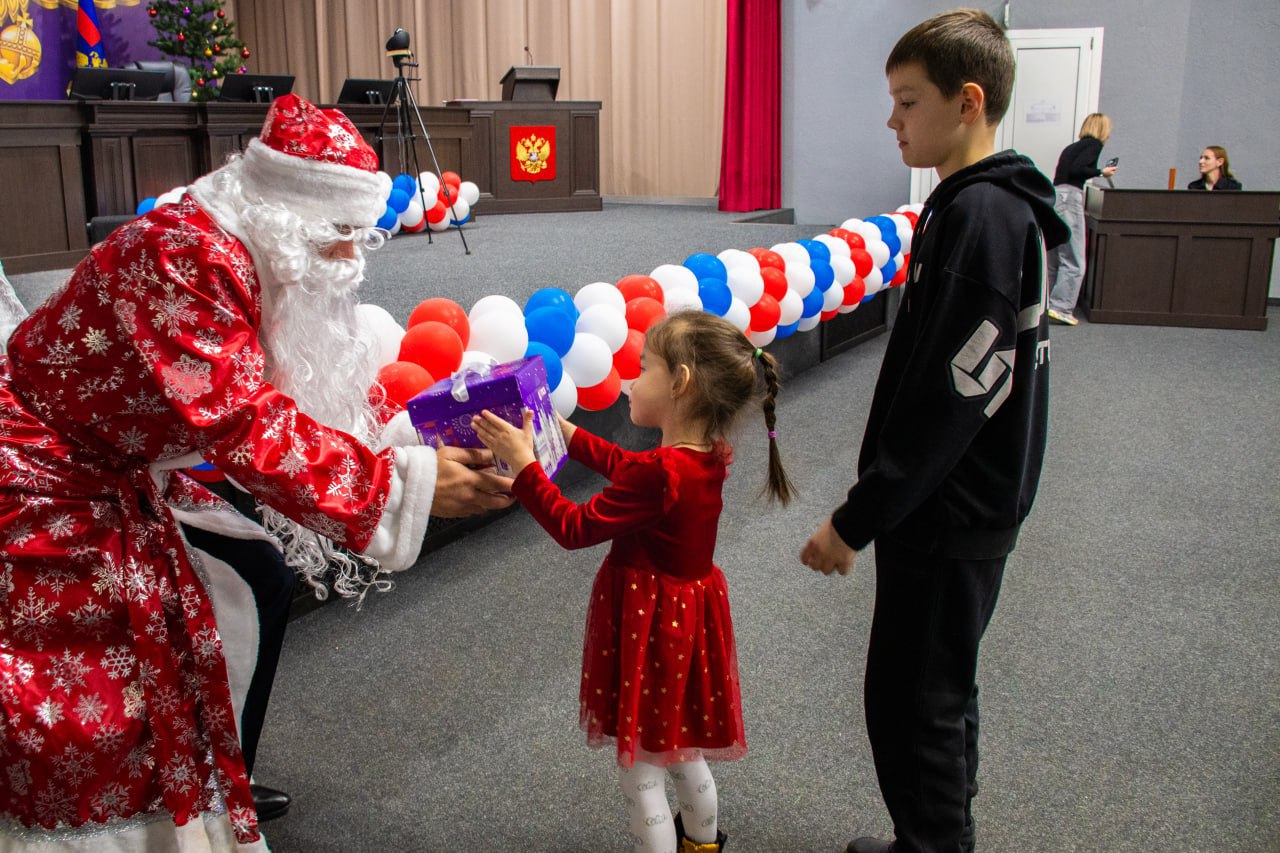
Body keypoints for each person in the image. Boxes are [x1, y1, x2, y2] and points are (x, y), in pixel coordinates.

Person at [0, 94, 513, 851]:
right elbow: (247, 422)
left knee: (258, 579)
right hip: (45, 475)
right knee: (115, 685)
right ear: (286, 216)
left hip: (123, 461)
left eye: (360, 235)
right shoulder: (186, 256)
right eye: (338, 236)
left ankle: (222, 766)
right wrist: (404, 488)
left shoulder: (248, 244)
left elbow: (276, 393)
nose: (353, 258)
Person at [798, 10, 1069, 853]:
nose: (892, 121)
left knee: (917, 704)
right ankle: (929, 837)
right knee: (935, 690)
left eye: (907, 101)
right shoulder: (981, 210)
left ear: (969, 102)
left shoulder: (982, 220)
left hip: (948, 511)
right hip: (958, 507)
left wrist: (857, 517)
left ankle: (936, 845)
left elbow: (949, 400)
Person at [472, 311, 794, 853]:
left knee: (641, 771)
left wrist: (525, 465)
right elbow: (627, 465)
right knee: (684, 751)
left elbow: (574, 528)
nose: (628, 381)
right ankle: (702, 846)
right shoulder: (703, 455)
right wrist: (562, 430)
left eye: (642, 368)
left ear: (680, 383)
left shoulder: (661, 473)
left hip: (652, 631)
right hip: (686, 624)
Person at [1045, 112, 1116, 325]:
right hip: (1070, 197)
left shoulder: (1071, 148)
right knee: (1075, 259)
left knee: (1055, 257)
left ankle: (1047, 303)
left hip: (1056, 196)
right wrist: (1102, 172)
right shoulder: (1094, 145)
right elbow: (1079, 170)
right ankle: (1062, 307)